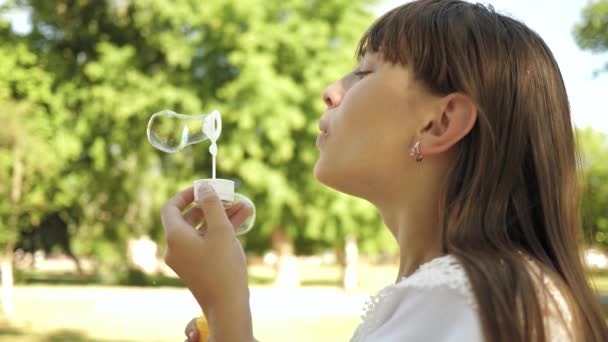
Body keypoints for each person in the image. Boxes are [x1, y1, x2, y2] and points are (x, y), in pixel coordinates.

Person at [160, 0, 608, 341]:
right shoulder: (477, 294)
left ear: (440, 123)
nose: (330, 91)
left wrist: (226, 308)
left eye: (364, 71)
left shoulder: (460, 303)